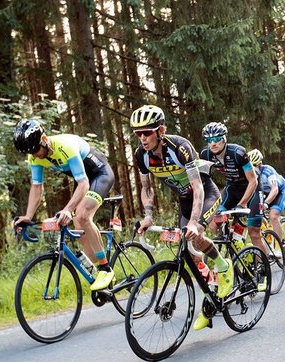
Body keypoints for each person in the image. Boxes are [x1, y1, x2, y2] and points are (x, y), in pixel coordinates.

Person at [130, 105, 233, 331]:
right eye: (138, 134)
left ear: (161, 131)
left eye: (146, 132)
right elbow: (146, 188)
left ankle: (223, 265)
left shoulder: (180, 148)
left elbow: (198, 186)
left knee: (196, 236)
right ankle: (211, 297)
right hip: (184, 201)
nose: (142, 138)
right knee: (192, 255)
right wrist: (148, 216)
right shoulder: (141, 155)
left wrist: (195, 222)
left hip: (205, 195)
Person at [13, 119, 116, 291]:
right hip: (82, 178)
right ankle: (98, 274)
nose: (34, 155)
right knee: (78, 225)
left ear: (44, 139)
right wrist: (28, 216)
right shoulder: (34, 157)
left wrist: (68, 209)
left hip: (100, 174)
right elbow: (37, 187)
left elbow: (83, 183)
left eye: (35, 150)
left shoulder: (65, 146)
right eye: (30, 152)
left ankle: (106, 268)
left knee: (82, 215)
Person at [199, 122, 270, 261]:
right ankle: (231, 245)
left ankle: (264, 267)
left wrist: (242, 204)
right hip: (232, 188)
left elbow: (253, 181)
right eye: (209, 140)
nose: (213, 143)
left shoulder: (238, 153)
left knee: (254, 233)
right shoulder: (205, 154)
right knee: (213, 220)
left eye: (216, 139)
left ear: (224, 139)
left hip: (253, 189)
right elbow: (203, 180)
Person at [247, 149, 285, 240]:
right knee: (257, 215)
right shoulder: (249, 174)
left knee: (273, 216)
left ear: (259, 164)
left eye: (255, 165)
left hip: (279, 192)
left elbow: (275, 189)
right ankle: (268, 234)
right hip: (264, 193)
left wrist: (266, 203)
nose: (253, 168)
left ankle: (278, 244)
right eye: (250, 166)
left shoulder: (268, 171)